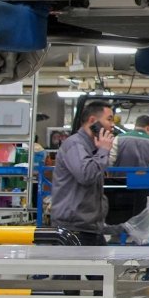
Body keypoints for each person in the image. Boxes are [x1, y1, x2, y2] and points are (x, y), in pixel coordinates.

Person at [53, 101, 114, 244]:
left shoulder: (92, 147)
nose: (112, 125)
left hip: (90, 228)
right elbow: (86, 176)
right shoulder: (75, 145)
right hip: (74, 230)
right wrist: (104, 151)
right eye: (109, 119)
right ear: (93, 121)